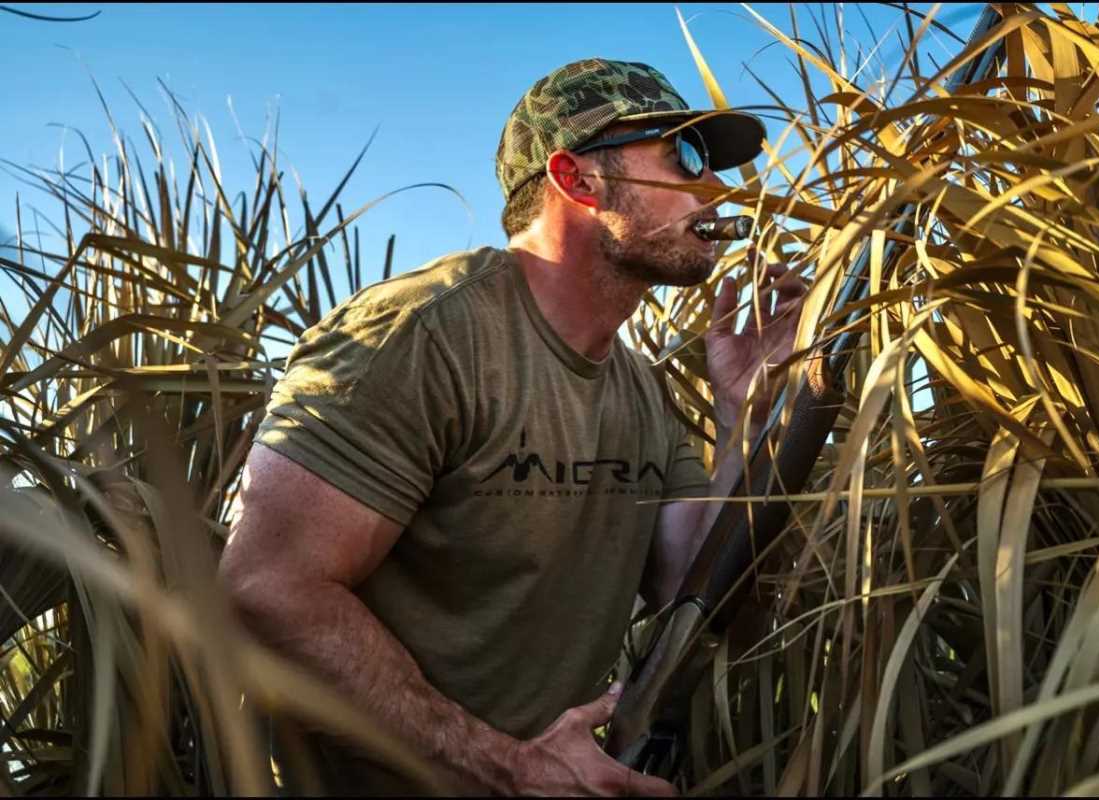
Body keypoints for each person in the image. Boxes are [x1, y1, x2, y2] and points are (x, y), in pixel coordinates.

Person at [218, 57, 808, 796]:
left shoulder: (638, 390)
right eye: (684, 155)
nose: (716, 186)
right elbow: (266, 586)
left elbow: (693, 579)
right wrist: (508, 769)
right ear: (576, 179)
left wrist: (743, 411)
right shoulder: (423, 334)